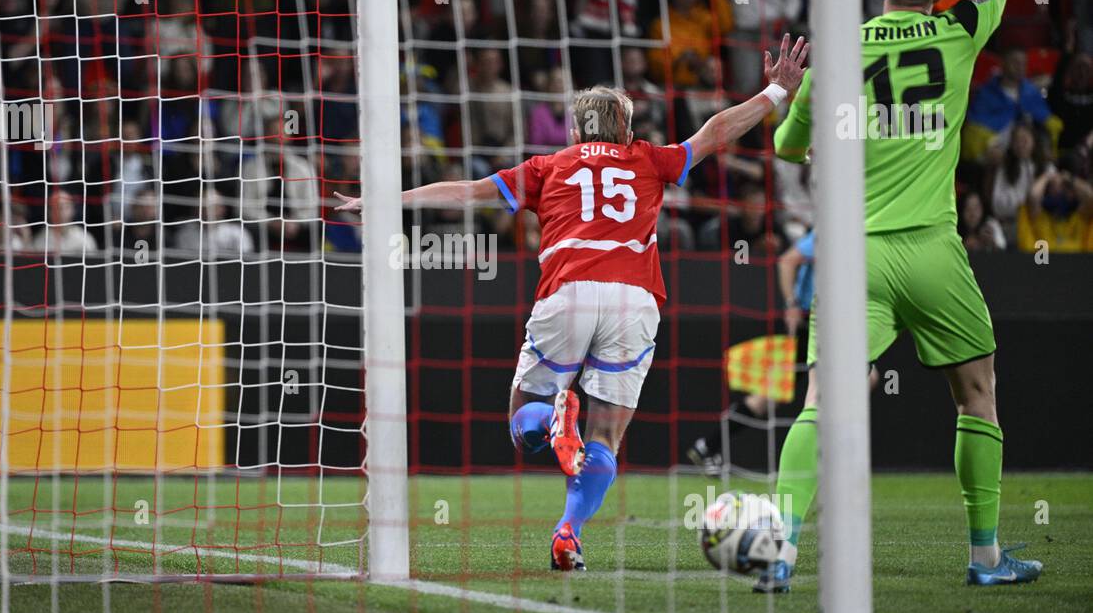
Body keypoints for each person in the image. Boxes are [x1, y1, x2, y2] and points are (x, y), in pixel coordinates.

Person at [338, 37, 809, 571]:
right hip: (635, 298)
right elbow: (715, 132)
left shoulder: (548, 166)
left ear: (575, 130)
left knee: (523, 418)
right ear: (628, 130)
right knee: (606, 435)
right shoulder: (650, 160)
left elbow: (467, 191)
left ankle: (554, 418)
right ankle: (568, 531)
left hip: (570, 290)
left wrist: (385, 201)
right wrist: (775, 90)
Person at [769, 0, 1042, 591]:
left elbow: (790, 151)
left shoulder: (836, 51)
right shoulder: (957, 31)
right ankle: (986, 556)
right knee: (977, 389)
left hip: (855, 256)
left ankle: (782, 546)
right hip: (930, 249)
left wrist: (789, 96)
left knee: (821, 400)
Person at [685, 228, 815, 476]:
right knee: (777, 394)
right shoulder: (833, 229)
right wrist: (792, 305)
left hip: (824, 322)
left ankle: (707, 446)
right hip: (812, 322)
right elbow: (788, 260)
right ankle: (708, 446)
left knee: (772, 395)